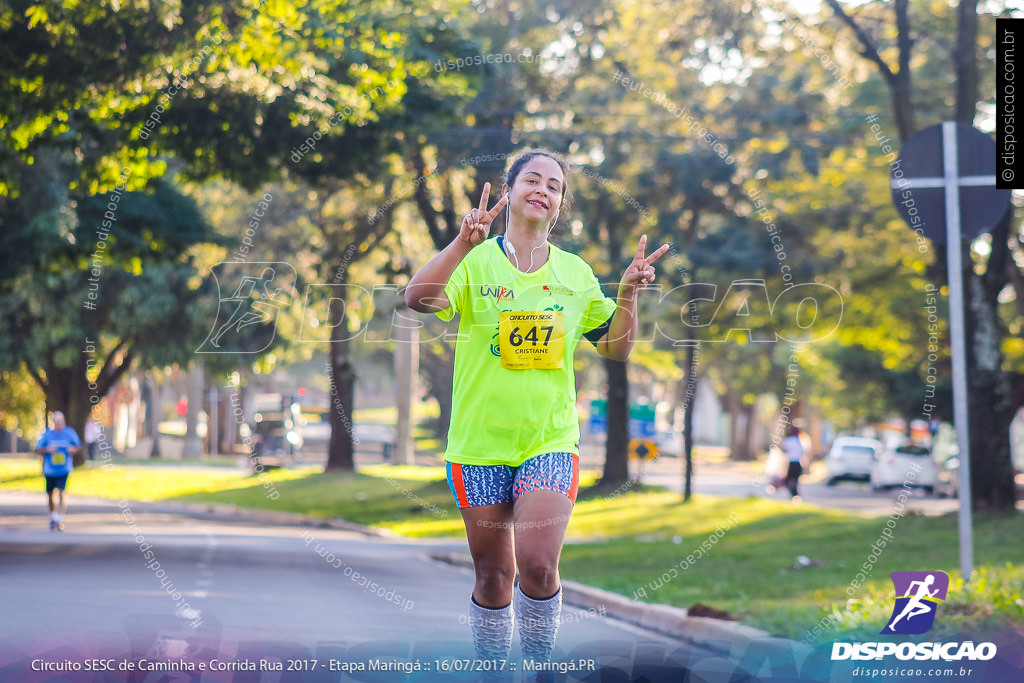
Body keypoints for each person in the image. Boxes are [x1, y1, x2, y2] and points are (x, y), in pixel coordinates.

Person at [405, 149, 668, 678]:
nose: (542, 189)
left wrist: (626, 297)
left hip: (548, 441)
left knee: (539, 565)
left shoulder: (575, 273)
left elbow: (615, 348)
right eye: (532, 179)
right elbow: (417, 298)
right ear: (508, 191)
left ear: (559, 204)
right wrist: (461, 242)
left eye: (554, 185)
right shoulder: (474, 261)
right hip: (478, 443)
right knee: (493, 576)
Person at [35, 411, 81, 531]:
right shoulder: (47, 434)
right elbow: (37, 449)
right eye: (56, 422)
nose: (59, 424)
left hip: (64, 468)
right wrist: (47, 449)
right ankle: (53, 517)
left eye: (61, 422)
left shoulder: (69, 433)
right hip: (50, 470)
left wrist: (73, 449)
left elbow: (78, 447)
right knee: (50, 494)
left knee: (62, 492)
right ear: (53, 422)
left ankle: (60, 519)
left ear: (64, 422)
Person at [782, 424, 804, 500]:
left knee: (789, 480)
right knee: (794, 480)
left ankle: (794, 494)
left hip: (792, 462)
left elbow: (784, 450)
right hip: (796, 463)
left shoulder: (789, 440)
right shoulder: (801, 441)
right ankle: (794, 494)